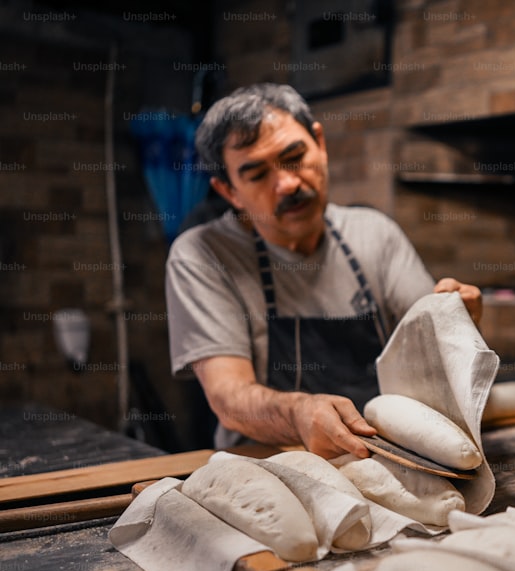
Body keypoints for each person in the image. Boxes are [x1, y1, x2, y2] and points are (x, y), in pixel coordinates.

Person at [165, 83, 482, 459]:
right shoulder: (202, 256)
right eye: (257, 175)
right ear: (229, 190)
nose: (287, 184)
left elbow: (430, 355)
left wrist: (460, 323)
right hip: (271, 465)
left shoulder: (374, 234)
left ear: (320, 143)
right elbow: (229, 397)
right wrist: (298, 413)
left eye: (294, 156)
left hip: (389, 452)